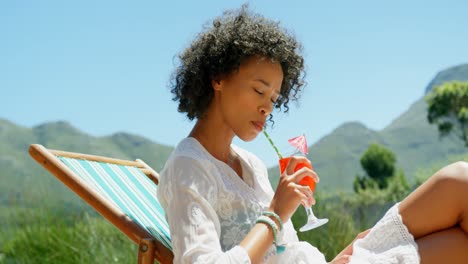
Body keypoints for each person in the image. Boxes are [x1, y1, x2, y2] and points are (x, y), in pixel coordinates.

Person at [157, 5, 468, 264]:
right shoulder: (188, 167)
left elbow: (287, 251)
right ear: (218, 79)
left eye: (274, 99)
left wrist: (341, 253)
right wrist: (277, 212)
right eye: (258, 90)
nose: (267, 108)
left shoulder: (251, 165)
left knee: (460, 189)